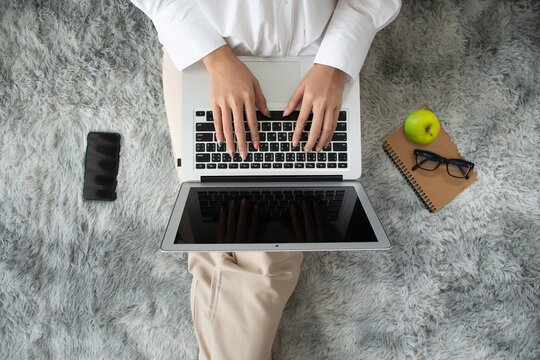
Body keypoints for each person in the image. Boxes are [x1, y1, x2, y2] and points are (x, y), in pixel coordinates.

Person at [130, 1, 401, 358]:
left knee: (266, 246)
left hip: (315, 61)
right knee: (226, 215)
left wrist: (334, 67)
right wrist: (217, 59)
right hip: (208, 53)